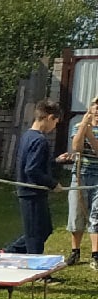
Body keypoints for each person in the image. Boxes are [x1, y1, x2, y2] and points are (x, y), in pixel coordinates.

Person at [5, 101, 62, 254]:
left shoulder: (28, 135)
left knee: (44, 229)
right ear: (49, 117)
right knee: (35, 234)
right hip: (31, 192)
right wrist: (53, 184)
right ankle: (35, 269)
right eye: (55, 122)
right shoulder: (39, 140)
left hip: (32, 192)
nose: (54, 127)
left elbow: (35, 163)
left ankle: (9, 252)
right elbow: (32, 170)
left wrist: (56, 161)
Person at [57, 96, 98, 266]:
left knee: (96, 214)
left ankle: (96, 254)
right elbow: (77, 147)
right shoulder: (78, 126)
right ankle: (75, 251)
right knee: (76, 212)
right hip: (80, 175)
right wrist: (84, 128)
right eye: (96, 104)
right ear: (90, 108)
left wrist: (90, 134)